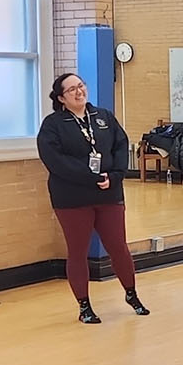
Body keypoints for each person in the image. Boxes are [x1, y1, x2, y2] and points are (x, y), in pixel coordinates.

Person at [37, 73, 147, 324]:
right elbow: (55, 161)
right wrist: (90, 177)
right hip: (73, 197)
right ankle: (84, 306)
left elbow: (121, 144)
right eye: (72, 89)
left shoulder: (103, 117)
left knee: (118, 246)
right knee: (78, 250)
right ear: (61, 98)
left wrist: (116, 175)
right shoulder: (53, 125)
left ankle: (131, 294)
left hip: (109, 192)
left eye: (81, 86)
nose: (79, 92)